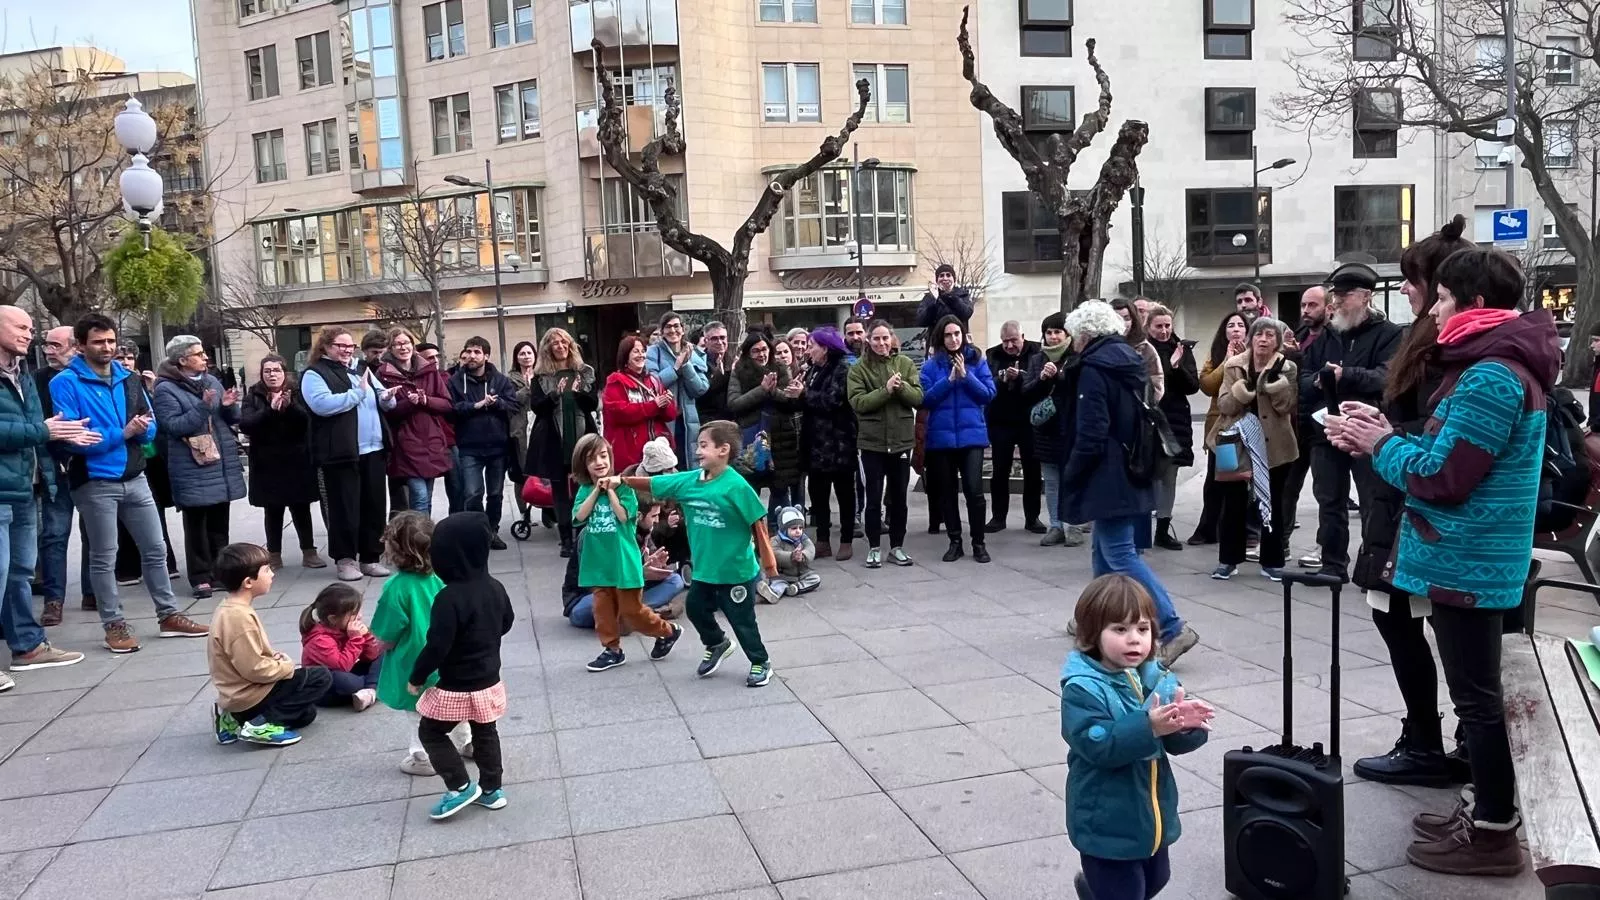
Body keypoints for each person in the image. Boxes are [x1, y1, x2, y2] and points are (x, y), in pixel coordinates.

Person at [1329, 247, 1555, 876]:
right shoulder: (1497, 365)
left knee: (1478, 701)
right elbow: (1449, 452)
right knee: (1477, 696)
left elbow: (1445, 477)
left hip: (1468, 561)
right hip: (1470, 557)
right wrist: (1387, 431)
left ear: (1476, 304)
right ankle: (1486, 810)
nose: (1437, 309)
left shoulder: (1492, 374)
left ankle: (1491, 833)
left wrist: (1379, 445)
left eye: (1447, 299)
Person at [1347, 216, 1475, 788]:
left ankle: (1433, 742)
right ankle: (1438, 738)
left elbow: (1449, 431)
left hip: (1416, 505)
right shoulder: (1434, 341)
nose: (1406, 292)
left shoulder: (1456, 347)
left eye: (1418, 284)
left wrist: (1385, 435)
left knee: (1411, 622)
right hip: (1400, 497)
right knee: (1402, 619)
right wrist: (1381, 427)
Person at [51, 314, 207, 653]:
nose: (107, 348)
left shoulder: (129, 378)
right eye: (98, 342)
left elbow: (151, 426)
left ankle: (168, 615)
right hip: (94, 480)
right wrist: (124, 433)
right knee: (105, 556)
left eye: (110, 341)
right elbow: (74, 437)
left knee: (156, 549)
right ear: (81, 345)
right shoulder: (65, 382)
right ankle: (114, 624)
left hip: (135, 476)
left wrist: (138, 430)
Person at [1059, 302, 1199, 668]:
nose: (1073, 343)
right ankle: (1092, 619)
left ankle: (1171, 627)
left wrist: (1072, 471)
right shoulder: (1127, 358)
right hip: (1130, 466)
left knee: (1119, 552)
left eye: (1075, 336)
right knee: (1103, 551)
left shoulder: (1094, 367)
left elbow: (1092, 430)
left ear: (1085, 334)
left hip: (1108, 472)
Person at [1061, 574, 1212, 900]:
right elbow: (1097, 744)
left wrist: (1184, 725)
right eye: (1120, 629)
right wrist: (1149, 726)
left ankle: (1093, 892)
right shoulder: (1082, 687)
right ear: (1091, 634)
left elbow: (1173, 741)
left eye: (1142, 629)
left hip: (1150, 813)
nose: (1134, 639)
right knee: (1126, 892)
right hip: (1106, 820)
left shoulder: (1153, 676)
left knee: (1157, 877)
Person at [616, 420, 778, 688]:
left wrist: (769, 565)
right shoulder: (689, 481)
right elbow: (656, 482)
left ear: (723, 449)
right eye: (698, 445)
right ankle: (717, 643)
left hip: (735, 571)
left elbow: (758, 524)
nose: (698, 451)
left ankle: (761, 661)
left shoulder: (736, 486)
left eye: (704, 445)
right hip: (704, 569)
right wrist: (621, 480)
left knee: (742, 620)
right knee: (694, 608)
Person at [407, 511, 516, 820]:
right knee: (486, 732)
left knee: (431, 732)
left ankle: (460, 786)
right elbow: (506, 622)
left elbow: (437, 646)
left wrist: (417, 676)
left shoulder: (447, 598)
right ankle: (492, 789)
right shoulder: (495, 587)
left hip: (455, 686)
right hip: (488, 680)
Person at [0, 308, 91, 679]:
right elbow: (34, 429)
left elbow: (39, 428)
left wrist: (52, 465)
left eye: (30, 328)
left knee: (18, 572)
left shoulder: (21, 373)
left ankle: (27, 646)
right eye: (21, 327)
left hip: (24, 486)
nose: (29, 333)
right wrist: (47, 433)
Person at [1300, 262, 1403, 581]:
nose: (1337, 301)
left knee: (1373, 501)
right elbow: (1302, 379)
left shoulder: (1389, 334)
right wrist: (1319, 380)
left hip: (1367, 429)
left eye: (1344, 295)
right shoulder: (1325, 335)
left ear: (1366, 297)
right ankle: (1333, 565)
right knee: (1329, 499)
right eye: (1335, 294)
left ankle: (1372, 566)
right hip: (1327, 430)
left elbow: (1387, 378)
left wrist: (1347, 375)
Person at [571, 433, 683, 672]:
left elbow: (623, 516)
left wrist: (611, 490)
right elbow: (579, 517)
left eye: (603, 456)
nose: (600, 462)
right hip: (598, 563)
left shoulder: (625, 488)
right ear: (584, 464)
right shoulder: (583, 490)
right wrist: (595, 491)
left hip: (623, 561)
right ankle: (612, 650)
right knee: (602, 611)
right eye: (592, 459)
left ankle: (668, 632)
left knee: (632, 612)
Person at [371, 512, 470, 776]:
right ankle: (468, 741)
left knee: (418, 709)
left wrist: (381, 646)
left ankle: (423, 755)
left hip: (414, 659)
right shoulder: (445, 576)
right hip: (451, 654)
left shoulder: (395, 588)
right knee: (455, 700)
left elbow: (387, 632)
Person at [208, 542, 333, 746]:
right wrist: (285, 667)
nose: (272, 574)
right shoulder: (238, 618)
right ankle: (258, 725)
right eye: (266, 570)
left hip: (242, 693)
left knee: (306, 714)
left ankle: (233, 719)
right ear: (248, 582)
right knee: (320, 677)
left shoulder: (229, 608)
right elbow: (254, 669)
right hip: (248, 694)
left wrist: (271, 658)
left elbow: (248, 657)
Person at [153, 335, 245, 600]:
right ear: (182, 360)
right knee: (196, 524)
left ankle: (222, 572)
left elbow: (228, 419)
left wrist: (229, 406)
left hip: (219, 462)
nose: (205, 357)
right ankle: (200, 576)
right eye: (198, 353)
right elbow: (173, 426)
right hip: (191, 465)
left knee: (219, 521)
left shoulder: (211, 380)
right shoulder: (165, 389)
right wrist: (204, 407)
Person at [302, 325, 396, 582]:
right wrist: (357, 394)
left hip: (373, 450)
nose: (346, 350)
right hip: (341, 454)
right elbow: (321, 405)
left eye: (349, 346)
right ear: (325, 347)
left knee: (374, 507)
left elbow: (379, 396)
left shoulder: (360, 368)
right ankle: (345, 560)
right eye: (340, 346)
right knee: (345, 509)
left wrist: (387, 398)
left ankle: (370, 558)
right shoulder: (314, 373)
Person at [1208, 317, 1299, 581]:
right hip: (1232, 442)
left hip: (1274, 446)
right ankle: (1228, 561)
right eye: (1258, 334)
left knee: (1272, 502)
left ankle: (1272, 561)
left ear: (1278, 341)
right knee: (1232, 502)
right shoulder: (1234, 365)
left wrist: (1277, 388)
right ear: (1250, 339)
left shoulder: (1287, 367)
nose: (1263, 339)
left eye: (1270, 335)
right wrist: (1241, 392)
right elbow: (1224, 405)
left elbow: (1286, 407)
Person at [920, 315, 996, 564]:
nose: (953, 339)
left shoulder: (977, 360)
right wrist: (949, 379)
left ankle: (978, 542)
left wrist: (966, 376)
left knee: (975, 491)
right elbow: (925, 399)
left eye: (957, 334)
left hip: (971, 437)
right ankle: (955, 541)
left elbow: (988, 394)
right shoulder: (931, 366)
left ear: (963, 335)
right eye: (948, 335)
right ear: (940, 338)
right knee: (947, 492)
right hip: (941, 440)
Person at [848, 319, 923, 567]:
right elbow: (859, 403)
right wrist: (886, 389)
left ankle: (897, 546)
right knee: (873, 498)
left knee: (899, 498)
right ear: (868, 341)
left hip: (901, 441)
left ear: (892, 339)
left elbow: (918, 397)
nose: (881, 343)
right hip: (872, 443)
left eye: (885, 338)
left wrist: (901, 389)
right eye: (876, 338)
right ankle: (874, 547)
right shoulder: (858, 368)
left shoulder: (905, 363)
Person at [239, 355, 324, 570]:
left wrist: (290, 407)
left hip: (296, 460)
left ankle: (309, 551)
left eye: (276, 370)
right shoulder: (254, 395)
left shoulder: (296, 392)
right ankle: (274, 555)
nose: (272, 375)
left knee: (301, 508)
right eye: (267, 371)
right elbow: (246, 424)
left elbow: (307, 421)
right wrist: (269, 410)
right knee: (273, 511)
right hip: (267, 462)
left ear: (284, 372)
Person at [33, 324, 92, 626]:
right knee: (54, 535)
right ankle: (53, 600)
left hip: (89, 465)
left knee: (94, 533)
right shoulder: (37, 380)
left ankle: (92, 592)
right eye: (46, 345)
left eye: (56, 345)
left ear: (75, 347)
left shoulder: (88, 377)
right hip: (54, 468)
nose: (48, 351)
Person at [527, 328, 599, 558]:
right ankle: (566, 538)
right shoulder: (541, 377)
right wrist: (554, 395)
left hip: (581, 436)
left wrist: (578, 393)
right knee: (559, 491)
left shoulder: (584, 372)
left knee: (583, 487)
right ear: (547, 348)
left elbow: (593, 404)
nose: (560, 346)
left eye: (564, 342)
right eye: (555, 343)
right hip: (553, 438)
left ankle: (582, 534)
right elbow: (537, 407)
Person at [566, 498, 687, 626]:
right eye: (654, 516)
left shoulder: (642, 531)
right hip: (588, 596)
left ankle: (630, 614)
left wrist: (655, 564)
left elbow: (645, 563)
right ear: (639, 516)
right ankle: (638, 614)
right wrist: (640, 574)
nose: (657, 521)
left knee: (675, 580)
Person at [447, 337, 519, 549]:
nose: (471, 356)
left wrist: (497, 404)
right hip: (469, 447)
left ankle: (492, 531)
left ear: (486, 356)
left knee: (495, 493)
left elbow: (513, 406)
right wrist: (476, 405)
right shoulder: (455, 381)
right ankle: (478, 532)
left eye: (477, 352)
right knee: (472, 493)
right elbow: (452, 410)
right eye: (468, 351)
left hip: (498, 447)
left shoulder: (500, 380)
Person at [1186, 312, 1249, 547]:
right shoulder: (1216, 355)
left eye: (1240, 325)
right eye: (1230, 325)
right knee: (1218, 479)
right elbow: (1208, 385)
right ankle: (1208, 529)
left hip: (1249, 426)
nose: (1235, 329)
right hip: (1223, 429)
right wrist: (1227, 361)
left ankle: (1240, 530)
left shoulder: (1257, 353)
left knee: (1242, 481)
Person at [375, 328, 454, 514]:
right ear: (390, 348)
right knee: (419, 497)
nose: (403, 347)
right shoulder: (383, 373)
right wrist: (409, 404)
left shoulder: (429, 370)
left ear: (413, 345)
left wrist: (425, 400)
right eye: (397, 344)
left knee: (426, 496)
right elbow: (384, 411)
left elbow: (446, 404)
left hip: (431, 439)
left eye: (406, 343)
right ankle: (421, 541)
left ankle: (422, 535)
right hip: (404, 443)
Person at [1022, 311, 1084, 548]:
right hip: (1046, 430)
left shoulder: (1077, 356)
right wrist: (1041, 378)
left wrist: (1058, 376)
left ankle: (1074, 526)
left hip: (1070, 428)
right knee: (1052, 481)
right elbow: (1027, 391)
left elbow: (1078, 388)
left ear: (1067, 334)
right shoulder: (1037, 358)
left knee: (1073, 479)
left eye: (1058, 332)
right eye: (1049, 332)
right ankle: (1056, 526)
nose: (1053, 337)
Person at [727, 331, 802, 524]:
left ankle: (778, 533)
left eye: (765, 349)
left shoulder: (781, 368)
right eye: (756, 351)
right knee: (751, 488)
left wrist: (772, 391)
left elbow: (788, 400)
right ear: (747, 353)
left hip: (780, 438)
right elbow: (734, 404)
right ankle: (754, 532)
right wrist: (761, 390)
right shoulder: (739, 372)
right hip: (752, 439)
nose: (762, 354)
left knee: (780, 489)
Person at [800, 327, 859, 560]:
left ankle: (846, 539)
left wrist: (805, 395)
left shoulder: (843, 368)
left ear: (825, 348)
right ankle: (822, 539)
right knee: (818, 494)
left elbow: (833, 400)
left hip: (839, 442)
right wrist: (797, 394)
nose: (808, 350)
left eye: (812, 345)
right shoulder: (813, 369)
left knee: (845, 493)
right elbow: (807, 401)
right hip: (816, 443)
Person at [984, 321, 1044, 535]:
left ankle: (1032, 517)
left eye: (1013, 340)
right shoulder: (992, 354)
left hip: (1029, 420)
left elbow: (1041, 380)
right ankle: (998, 517)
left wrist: (1022, 376)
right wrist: (1002, 377)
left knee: (1032, 470)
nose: (1009, 345)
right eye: (1005, 341)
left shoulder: (1037, 351)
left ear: (1023, 336)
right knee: (999, 470)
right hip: (1001, 420)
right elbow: (987, 382)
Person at [1146, 306, 1198, 551]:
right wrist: (1169, 365)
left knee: (1169, 476)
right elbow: (1152, 382)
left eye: (1168, 325)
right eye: (1159, 326)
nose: (1165, 330)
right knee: (1148, 474)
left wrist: (1177, 367)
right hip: (1150, 419)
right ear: (1149, 327)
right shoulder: (1143, 350)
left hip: (1175, 420)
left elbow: (1192, 386)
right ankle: (1143, 525)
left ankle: (1163, 529)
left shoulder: (1182, 349)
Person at [1285, 286, 1329, 560]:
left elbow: (1321, 378)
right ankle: (1281, 542)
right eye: (1303, 305)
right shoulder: (1298, 337)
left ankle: (1324, 547)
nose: (1305, 311)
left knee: (1325, 491)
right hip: (1295, 425)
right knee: (1287, 488)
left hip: (1321, 426)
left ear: (1328, 307)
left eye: (1312, 305)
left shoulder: (1333, 337)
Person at [299, 583, 382, 710]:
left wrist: (366, 636)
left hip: (347, 672)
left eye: (359, 611)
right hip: (326, 689)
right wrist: (355, 639)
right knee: (344, 680)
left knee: (382, 653)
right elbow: (342, 666)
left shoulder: (343, 628)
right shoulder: (319, 640)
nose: (359, 616)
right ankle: (375, 686)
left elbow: (371, 656)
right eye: (354, 613)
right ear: (333, 619)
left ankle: (370, 691)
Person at [603, 335, 678, 473]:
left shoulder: (654, 380)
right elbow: (618, 413)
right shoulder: (616, 381)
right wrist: (653, 405)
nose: (641, 355)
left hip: (657, 453)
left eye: (643, 351)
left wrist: (666, 403)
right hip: (630, 453)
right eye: (636, 351)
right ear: (625, 355)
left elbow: (670, 416)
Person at [646, 313, 710, 470]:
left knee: (690, 462)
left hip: (688, 420)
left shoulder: (693, 352)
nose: (672, 330)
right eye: (668, 327)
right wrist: (675, 367)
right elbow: (652, 384)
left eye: (676, 326)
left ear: (683, 329)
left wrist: (686, 366)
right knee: (667, 464)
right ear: (662, 331)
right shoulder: (654, 352)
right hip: (664, 418)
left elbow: (701, 388)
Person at [506, 340, 538, 529]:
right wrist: (527, 387)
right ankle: (524, 512)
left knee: (544, 473)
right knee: (523, 474)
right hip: (520, 430)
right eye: (522, 354)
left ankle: (549, 511)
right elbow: (512, 400)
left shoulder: (542, 374)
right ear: (516, 358)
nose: (526, 357)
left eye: (529, 353)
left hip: (540, 426)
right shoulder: (510, 378)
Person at [916, 263, 974, 351]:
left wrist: (950, 297)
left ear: (954, 279)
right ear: (937, 280)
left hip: (959, 344)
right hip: (937, 346)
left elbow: (966, 313)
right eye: (941, 275)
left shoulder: (963, 295)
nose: (945, 278)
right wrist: (935, 303)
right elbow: (921, 320)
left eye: (948, 275)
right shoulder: (930, 298)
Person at [765, 505, 819, 599]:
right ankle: (772, 594)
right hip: (784, 575)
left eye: (800, 528)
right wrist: (791, 556)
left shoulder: (803, 538)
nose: (798, 531)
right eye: (794, 528)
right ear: (784, 529)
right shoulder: (776, 540)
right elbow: (775, 553)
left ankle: (795, 588)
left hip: (802, 574)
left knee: (815, 579)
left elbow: (811, 548)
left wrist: (803, 555)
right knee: (778, 584)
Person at [696, 321, 733, 426]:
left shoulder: (733, 360)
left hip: (731, 421)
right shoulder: (699, 363)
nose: (719, 342)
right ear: (706, 341)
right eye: (714, 338)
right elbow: (701, 393)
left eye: (722, 337)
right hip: (709, 421)